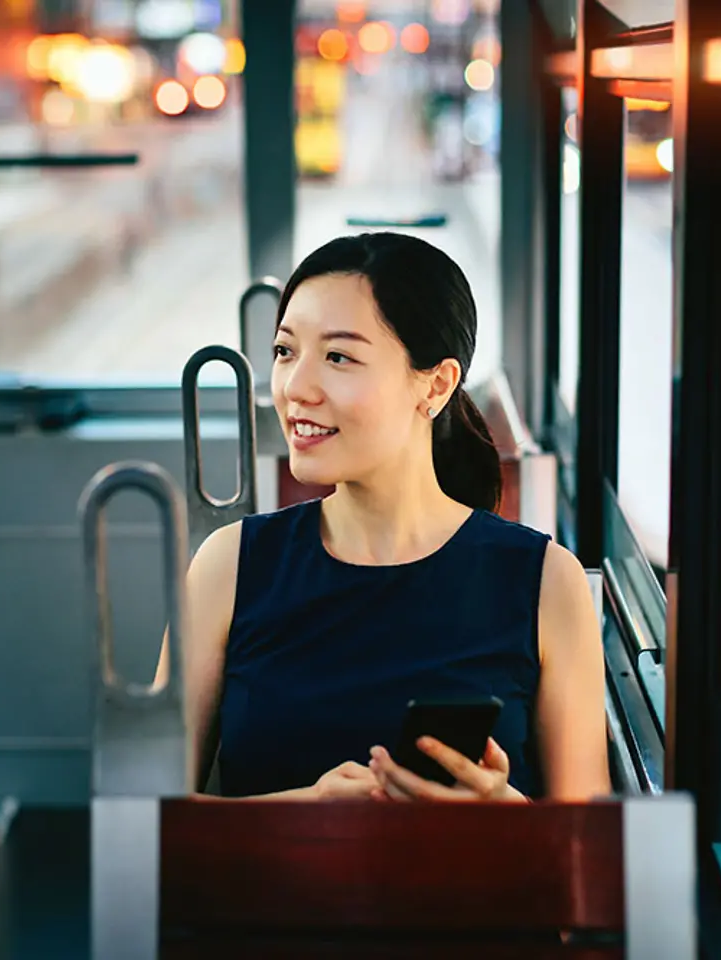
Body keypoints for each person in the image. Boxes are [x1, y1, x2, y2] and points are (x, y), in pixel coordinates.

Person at [154, 232, 609, 803]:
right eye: (285, 352)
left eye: (338, 357)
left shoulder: (546, 581)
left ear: (436, 385)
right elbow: (148, 822)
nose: (295, 388)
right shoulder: (229, 566)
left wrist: (506, 817)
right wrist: (308, 810)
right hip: (268, 894)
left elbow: (589, 848)